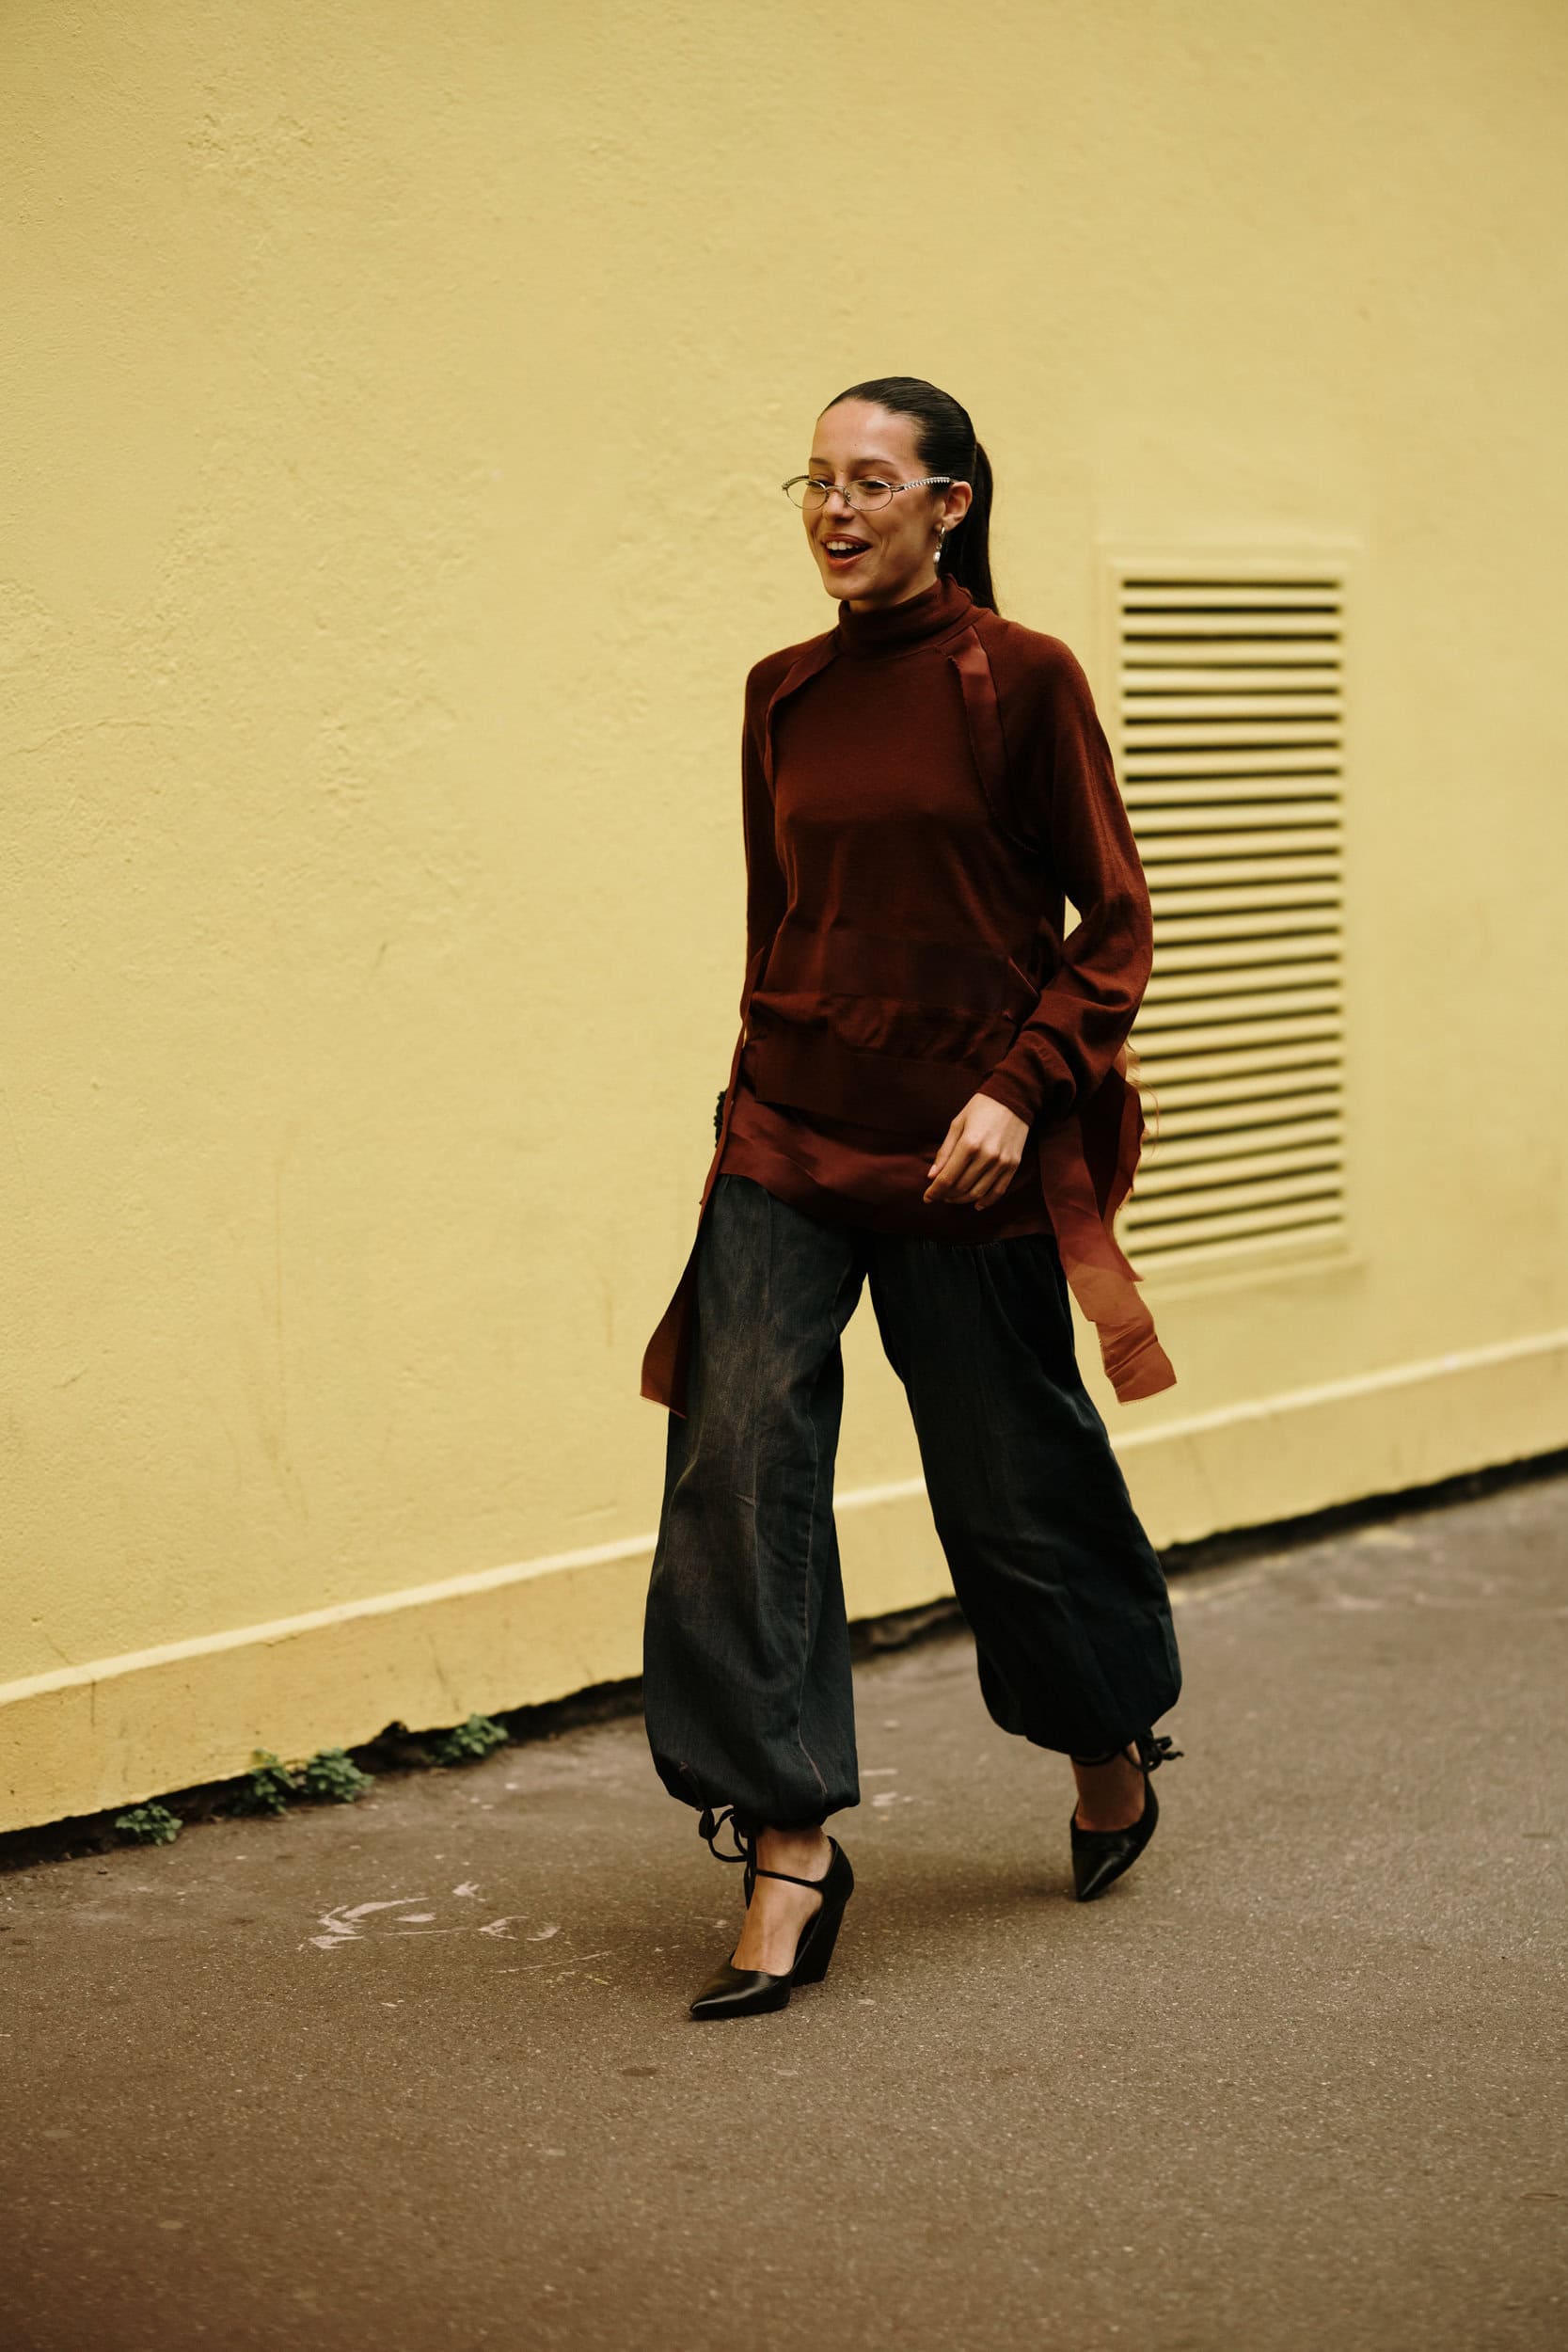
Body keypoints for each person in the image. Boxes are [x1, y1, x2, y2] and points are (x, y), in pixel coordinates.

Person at [639, 375, 1183, 2022]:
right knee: (738, 1459)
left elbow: (1117, 923)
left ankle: (1104, 1737)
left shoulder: (1024, 679)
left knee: (1011, 1484)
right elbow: (781, 921)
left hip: (968, 1149)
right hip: (789, 1136)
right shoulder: (782, 692)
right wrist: (747, 1094)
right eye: (815, 479)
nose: (834, 507)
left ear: (951, 504)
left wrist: (1019, 1092)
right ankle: (788, 1840)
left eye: (870, 480)